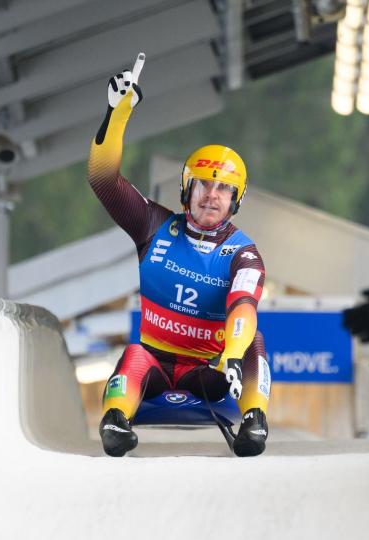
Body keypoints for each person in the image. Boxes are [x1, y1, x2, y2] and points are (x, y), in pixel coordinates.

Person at [89, 66, 271, 457]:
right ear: (187, 189)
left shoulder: (244, 254)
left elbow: (243, 307)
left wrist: (234, 357)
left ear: (236, 199)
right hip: (154, 362)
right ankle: (115, 421)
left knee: (254, 340)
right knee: (135, 353)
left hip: (205, 370)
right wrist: (116, 113)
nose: (212, 196)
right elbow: (104, 180)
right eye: (204, 184)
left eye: (224, 188)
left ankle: (255, 419)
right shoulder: (153, 225)